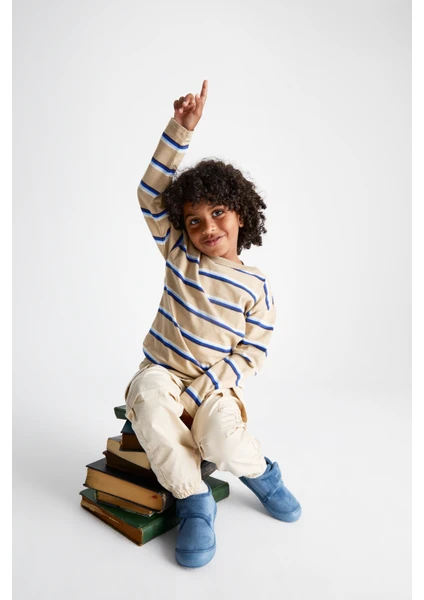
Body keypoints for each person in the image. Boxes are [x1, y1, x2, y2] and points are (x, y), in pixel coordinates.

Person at [124, 79, 301, 568]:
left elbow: (252, 352)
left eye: (218, 213)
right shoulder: (180, 253)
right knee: (148, 403)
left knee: (222, 438)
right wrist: (180, 129)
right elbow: (148, 193)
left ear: (241, 213)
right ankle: (195, 502)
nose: (207, 228)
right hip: (162, 372)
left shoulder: (256, 286)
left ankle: (262, 474)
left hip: (214, 386)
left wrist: (201, 392)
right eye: (194, 220)